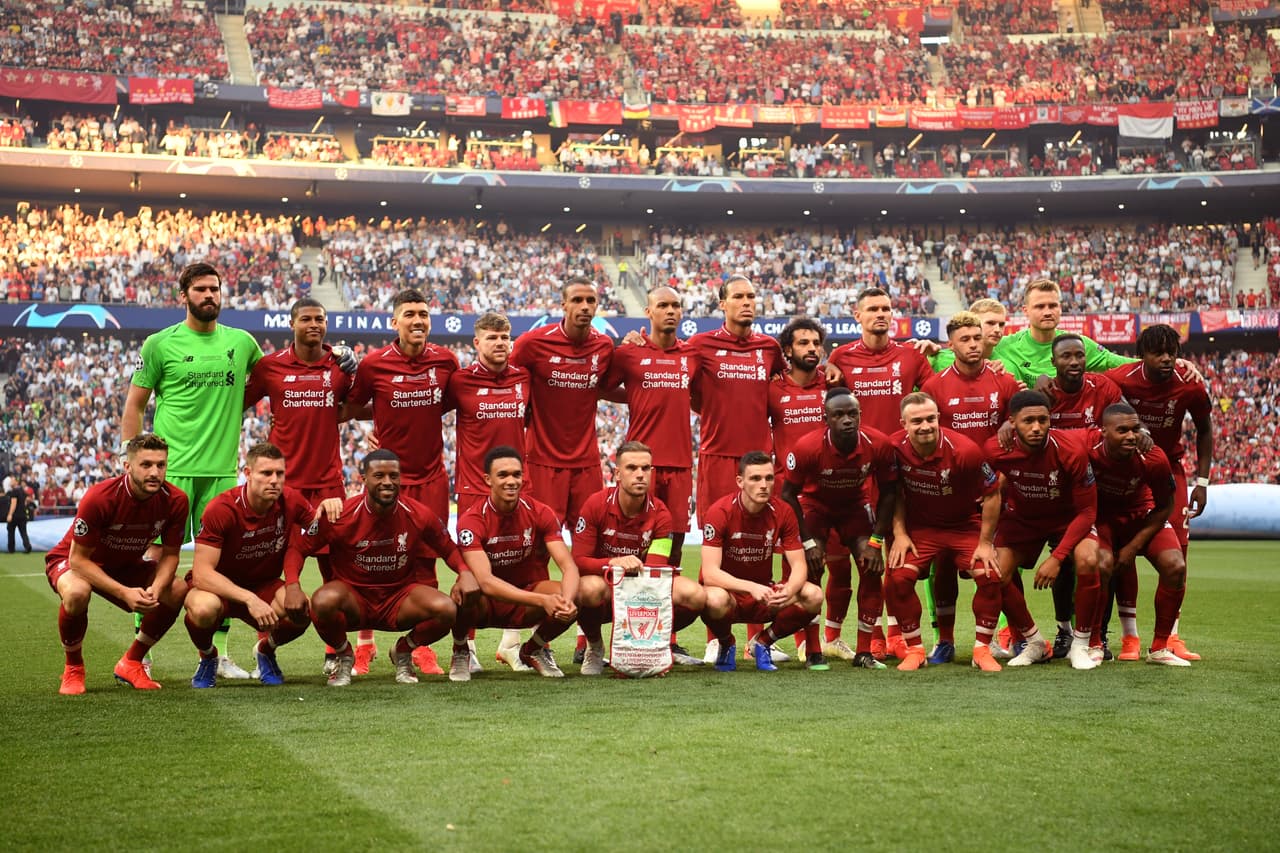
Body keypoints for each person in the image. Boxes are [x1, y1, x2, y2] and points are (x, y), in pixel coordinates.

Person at [122, 261, 264, 679]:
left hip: (221, 472)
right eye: (201, 289)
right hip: (169, 473)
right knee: (154, 560)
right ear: (183, 296)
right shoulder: (159, 344)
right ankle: (141, 654)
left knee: (219, 566)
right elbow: (135, 404)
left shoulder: (242, 342)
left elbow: (274, 379)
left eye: (214, 289)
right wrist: (131, 461)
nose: (209, 296)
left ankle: (218, 655)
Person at [285, 449, 473, 687]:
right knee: (322, 601)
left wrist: (464, 572)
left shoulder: (418, 514)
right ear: (364, 479)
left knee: (446, 609)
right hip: (354, 600)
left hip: (399, 599)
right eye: (379, 475)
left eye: (393, 476)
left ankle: (403, 650)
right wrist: (292, 585)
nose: (387, 482)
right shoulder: (340, 515)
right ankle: (344, 655)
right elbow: (297, 549)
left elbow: (448, 548)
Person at [346, 288, 459, 676]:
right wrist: (374, 424)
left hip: (431, 478)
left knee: (426, 564)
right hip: (387, 481)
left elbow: (447, 402)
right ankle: (364, 645)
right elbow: (352, 405)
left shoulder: (446, 361)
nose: (418, 320)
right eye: (409, 314)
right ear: (394, 322)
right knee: (372, 560)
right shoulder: (374, 364)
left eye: (423, 314)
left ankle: (419, 647)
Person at [244, 296, 353, 675]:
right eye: (306, 319)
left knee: (336, 573)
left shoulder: (339, 366)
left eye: (320, 319)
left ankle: (336, 650)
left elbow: (364, 405)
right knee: (270, 570)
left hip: (329, 486)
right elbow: (234, 405)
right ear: (292, 324)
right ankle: (262, 647)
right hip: (282, 486)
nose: (314, 325)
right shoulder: (270, 366)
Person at [826, 287, 933, 658]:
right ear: (857, 315)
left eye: (886, 308)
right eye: (872, 309)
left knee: (897, 557)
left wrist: (940, 351)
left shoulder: (911, 356)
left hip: (898, 471)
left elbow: (936, 392)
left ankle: (897, 633)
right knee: (858, 560)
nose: (881, 314)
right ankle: (869, 634)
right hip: (855, 473)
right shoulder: (840, 357)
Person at [888, 393, 1027, 672]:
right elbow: (893, 493)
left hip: (964, 526)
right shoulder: (893, 448)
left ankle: (982, 650)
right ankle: (915, 650)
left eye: (930, 419)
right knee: (897, 578)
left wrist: (985, 542)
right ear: (903, 424)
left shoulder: (965, 450)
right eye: (917, 421)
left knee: (990, 574)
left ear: (939, 418)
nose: (925, 426)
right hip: (922, 530)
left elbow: (992, 494)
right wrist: (900, 534)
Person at [685, 275, 784, 663]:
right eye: (738, 297)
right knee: (720, 547)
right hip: (717, 458)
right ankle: (717, 638)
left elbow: (785, 386)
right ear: (722, 304)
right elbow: (684, 388)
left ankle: (758, 639)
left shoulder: (769, 348)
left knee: (759, 546)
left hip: (759, 459)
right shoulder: (701, 344)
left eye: (751, 296)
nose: (747, 302)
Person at [183, 443, 338, 688]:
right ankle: (209, 655)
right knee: (203, 609)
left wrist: (326, 510)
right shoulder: (221, 508)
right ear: (247, 473)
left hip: (264, 585)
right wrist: (249, 599)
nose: (274, 480)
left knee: (302, 609)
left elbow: (317, 530)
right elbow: (202, 574)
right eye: (266, 473)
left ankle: (265, 650)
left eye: (279, 473)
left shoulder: (291, 500)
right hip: (219, 589)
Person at [44, 434, 190, 694]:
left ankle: (132, 662)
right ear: (127, 466)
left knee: (176, 589)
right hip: (75, 560)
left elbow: (170, 555)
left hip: (125, 564)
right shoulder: (100, 497)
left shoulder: (176, 500)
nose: (155, 472)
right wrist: (124, 593)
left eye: (161, 465)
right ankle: (73, 667)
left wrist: (156, 589)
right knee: (77, 593)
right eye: (146, 465)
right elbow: (78, 560)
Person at [1103, 323, 1212, 661]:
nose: (1166, 359)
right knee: (1124, 547)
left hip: (1170, 471)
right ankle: (1130, 638)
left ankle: (1170, 637)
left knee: (1178, 552)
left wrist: (1203, 482)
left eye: (1171, 352)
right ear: (1142, 355)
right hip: (1129, 470)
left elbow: (1205, 429)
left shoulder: (1190, 384)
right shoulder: (1120, 379)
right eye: (1158, 353)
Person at [604, 286, 699, 662]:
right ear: (648, 311)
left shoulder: (691, 355)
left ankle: (665, 639)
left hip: (679, 468)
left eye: (676, 305)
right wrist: (635, 393)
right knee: (624, 549)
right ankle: (593, 641)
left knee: (670, 552)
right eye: (663, 305)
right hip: (641, 466)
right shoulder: (628, 353)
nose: (670, 311)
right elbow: (600, 388)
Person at [779, 389, 897, 670]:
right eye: (839, 415)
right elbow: (787, 495)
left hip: (855, 507)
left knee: (871, 567)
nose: (847, 420)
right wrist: (808, 543)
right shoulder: (807, 447)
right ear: (826, 419)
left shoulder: (878, 443)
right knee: (811, 570)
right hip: (815, 507)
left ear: (860, 415)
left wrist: (876, 542)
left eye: (852, 414)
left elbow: (890, 492)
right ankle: (814, 651)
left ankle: (864, 652)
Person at [984, 391, 1100, 670]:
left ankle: (1080, 645)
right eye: (1028, 421)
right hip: (1023, 519)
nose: (1036, 427)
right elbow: (988, 492)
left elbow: (1087, 512)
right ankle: (1034, 642)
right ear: (1012, 422)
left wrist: (1057, 558)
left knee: (1089, 559)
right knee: (994, 574)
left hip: (1067, 520)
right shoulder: (995, 449)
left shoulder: (1070, 450)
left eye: (1043, 420)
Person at [571, 441, 706, 674]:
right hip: (605, 583)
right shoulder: (595, 504)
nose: (640, 474)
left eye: (645, 468)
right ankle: (594, 646)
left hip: (641, 582)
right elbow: (579, 561)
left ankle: (654, 645)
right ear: (617, 474)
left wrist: (636, 570)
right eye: (632, 468)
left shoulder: (661, 514)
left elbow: (655, 568)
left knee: (695, 595)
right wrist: (614, 563)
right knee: (586, 589)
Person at [449, 446, 581, 680]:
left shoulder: (540, 512)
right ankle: (461, 650)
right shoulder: (472, 520)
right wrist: (542, 600)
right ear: (487, 479)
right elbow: (485, 582)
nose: (511, 481)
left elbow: (568, 566)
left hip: (526, 598)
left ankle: (533, 649)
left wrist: (568, 601)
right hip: (486, 602)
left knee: (576, 593)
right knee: (463, 591)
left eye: (516, 474)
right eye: (503, 475)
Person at [446, 311, 530, 672]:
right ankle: (465, 646)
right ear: (476, 342)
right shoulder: (459, 381)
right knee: (471, 571)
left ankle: (511, 644)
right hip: (473, 488)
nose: (499, 343)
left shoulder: (524, 378)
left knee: (521, 564)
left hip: (515, 487)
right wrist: (379, 431)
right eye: (492, 337)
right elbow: (423, 412)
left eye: (504, 337)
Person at [766, 317, 846, 667]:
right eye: (803, 343)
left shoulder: (833, 384)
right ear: (787, 350)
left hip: (833, 491)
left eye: (816, 343)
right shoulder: (772, 389)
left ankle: (834, 638)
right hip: (790, 495)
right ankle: (804, 643)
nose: (812, 348)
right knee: (798, 570)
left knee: (836, 569)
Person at [700, 451, 825, 672]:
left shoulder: (783, 512)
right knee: (713, 599)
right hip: (729, 595)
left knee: (813, 595)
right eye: (755, 478)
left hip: (764, 594)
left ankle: (763, 642)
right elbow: (710, 574)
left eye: (769, 478)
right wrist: (751, 587)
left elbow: (798, 565)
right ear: (740, 481)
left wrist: (789, 589)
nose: (764, 485)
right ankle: (726, 643)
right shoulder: (720, 511)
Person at [1039, 333, 1124, 658]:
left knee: (1102, 561)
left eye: (1079, 355)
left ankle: (1098, 634)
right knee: (1063, 563)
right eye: (1066, 356)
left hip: (1097, 490)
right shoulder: (1044, 394)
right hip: (1056, 493)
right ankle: (1064, 631)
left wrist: (1142, 432)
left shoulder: (1103, 388)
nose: (1074, 362)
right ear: (1053, 362)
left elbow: (1128, 420)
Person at [1085, 403, 1189, 665]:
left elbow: (1165, 506)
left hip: (1141, 515)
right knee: (1101, 564)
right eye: (1122, 430)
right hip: (1102, 518)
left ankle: (1159, 648)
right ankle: (1094, 643)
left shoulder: (1154, 457)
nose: (1131, 436)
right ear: (1103, 431)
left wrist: (1132, 548)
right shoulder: (1087, 448)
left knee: (1176, 566)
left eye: (1135, 429)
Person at [508, 277, 614, 526]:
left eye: (590, 300)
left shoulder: (604, 346)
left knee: (590, 536)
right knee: (539, 538)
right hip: (542, 460)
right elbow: (508, 381)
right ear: (563, 305)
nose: (585, 306)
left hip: (586, 462)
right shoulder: (532, 343)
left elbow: (606, 388)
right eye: (577, 300)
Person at [991, 279, 1134, 387]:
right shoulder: (1004, 346)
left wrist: (1146, 363)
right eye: (1040, 307)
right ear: (1025, 311)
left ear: (1060, 308)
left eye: (1053, 306)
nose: (1047, 312)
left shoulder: (1076, 345)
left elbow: (1114, 361)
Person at [921, 311, 1021, 446]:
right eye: (965, 339)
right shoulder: (933, 386)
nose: (973, 344)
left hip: (995, 458)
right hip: (953, 459)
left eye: (977, 338)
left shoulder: (1006, 381)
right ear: (951, 345)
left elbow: (1018, 422)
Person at [6, 474, 31, 553]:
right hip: (23, 515)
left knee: (11, 531)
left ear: (16, 482)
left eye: (12, 480)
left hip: (15, 515)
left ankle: (11, 549)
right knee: (23, 532)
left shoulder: (14, 491)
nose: (10, 482)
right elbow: (28, 499)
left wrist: (10, 514)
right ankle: (27, 546)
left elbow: (13, 504)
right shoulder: (22, 490)